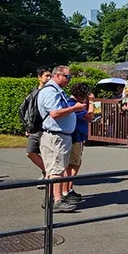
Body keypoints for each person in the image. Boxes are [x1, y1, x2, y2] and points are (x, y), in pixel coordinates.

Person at [37, 66, 87, 212]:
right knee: (56, 169)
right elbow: (55, 113)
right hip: (55, 136)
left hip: (60, 136)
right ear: (58, 75)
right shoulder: (50, 91)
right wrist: (74, 109)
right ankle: (57, 201)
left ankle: (52, 199)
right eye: (67, 77)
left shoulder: (55, 90)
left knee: (56, 169)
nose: (69, 80)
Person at [62, 82, 96, 203]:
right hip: (76, 137)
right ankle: (66, 191)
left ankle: (69, 189)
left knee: (71, 164)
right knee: (73, 164)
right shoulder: (74, 105)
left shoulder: (68, 102)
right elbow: (90, 116)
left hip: (74, 136)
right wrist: (91, 103)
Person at [21, 68, 53, 184]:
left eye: (50, 76)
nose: (49, 78)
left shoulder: (51, 92)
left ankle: (49, 176)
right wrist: (27, 126)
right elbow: (26, 110)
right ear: (39, 77)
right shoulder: (33, 93)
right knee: (30, 152)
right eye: (46, 76)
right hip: (34, 128)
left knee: (46, 153)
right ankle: (46, 171)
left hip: (45, 128)